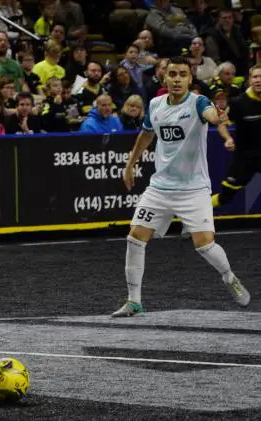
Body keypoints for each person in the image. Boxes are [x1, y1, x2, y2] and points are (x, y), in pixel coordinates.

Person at [112, 56, 250, 318]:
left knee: (204, 245)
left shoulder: (198, 102)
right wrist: (130, 165)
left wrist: (218, 116)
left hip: (194, 189)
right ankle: (134, 301)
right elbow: (146, 134)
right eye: (172, 74)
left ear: (190, 78)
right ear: (165, 77)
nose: (176, 79)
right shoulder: (154, 104)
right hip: (160, 188)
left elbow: (210, 115)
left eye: (182, 74)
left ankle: (229, 277)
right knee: (134, 238)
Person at [212, 65, 261, 208]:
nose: (258, 80)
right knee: (224, 198)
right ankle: (191, 213)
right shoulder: (238, 103)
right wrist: (228, 138)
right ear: (249, 81)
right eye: (255, 77)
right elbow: (221, 124)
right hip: (244, 159)